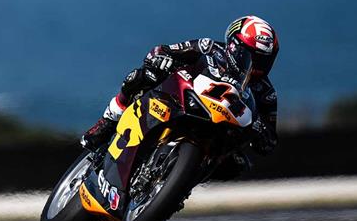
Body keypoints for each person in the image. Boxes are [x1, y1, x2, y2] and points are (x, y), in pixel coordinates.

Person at [80, 15, 279, 180]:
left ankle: (176, 187)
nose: (257, 65)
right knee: (142, 76)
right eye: (252, 57)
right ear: (234, 46)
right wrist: (162, 59)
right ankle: (109, 119)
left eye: (264, 60)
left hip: (219, 130)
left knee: (238, 165)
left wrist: (260, 130)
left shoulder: (266, 93)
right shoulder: (208, 47)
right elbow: (161, 51)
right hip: (182, 101)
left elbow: (269, 142)